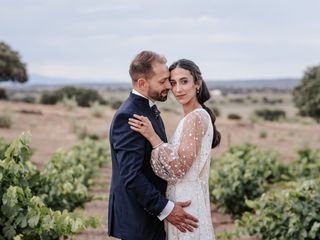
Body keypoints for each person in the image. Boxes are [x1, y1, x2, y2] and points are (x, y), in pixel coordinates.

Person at [108, 51, 199, 240]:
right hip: (139, 222)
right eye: (163, 81)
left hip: (149, 218)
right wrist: (167, 209)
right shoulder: (130, 115)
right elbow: (131, 176)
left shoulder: (147, 109)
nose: (169, 86)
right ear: (142, 83)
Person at [128, 59, 221, 240]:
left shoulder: (195, 118)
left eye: (184, 81)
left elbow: (178, 168)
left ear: (198, 84)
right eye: (173, 83)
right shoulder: (192, 117)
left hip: (187, 204)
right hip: (184, 200)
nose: (178, 89)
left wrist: (153, 137)